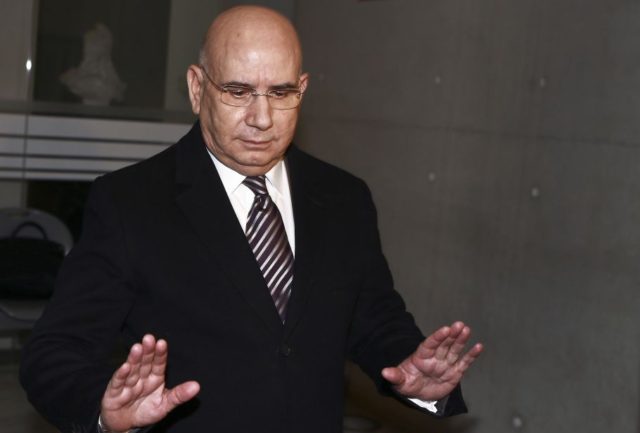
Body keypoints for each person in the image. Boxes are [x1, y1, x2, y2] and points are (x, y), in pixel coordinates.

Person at [20, 5, 483, 433]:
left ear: (302, 89)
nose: (262, 118)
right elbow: (53, 352)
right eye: (238, 92)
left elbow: (375, 320)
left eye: (280, 93)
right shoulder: (130, 203)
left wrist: (416, 373)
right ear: (197, 88)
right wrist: (104, 409)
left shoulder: (344, 198)